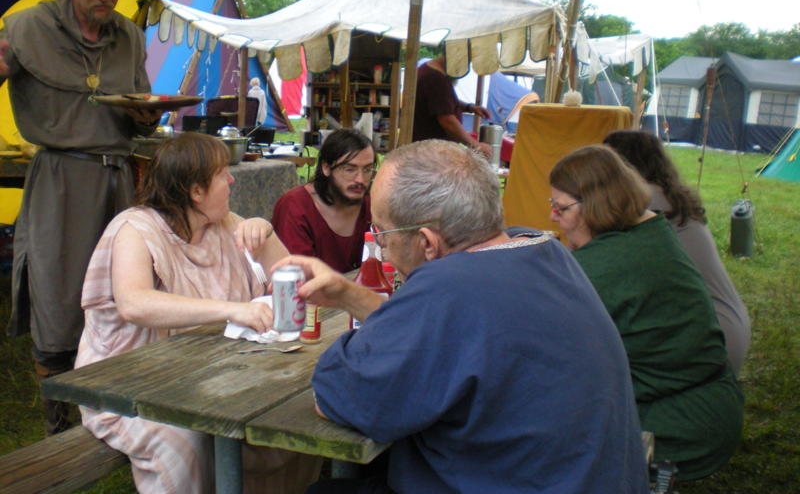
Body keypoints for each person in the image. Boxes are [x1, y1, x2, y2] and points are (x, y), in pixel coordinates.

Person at [273, 140, 650, 494]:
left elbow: (338, 394)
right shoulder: (543, 249)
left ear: (427, 242)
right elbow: (449, 336)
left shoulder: (449, 287)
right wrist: (351, 295)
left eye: (383, 233)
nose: (383, 250)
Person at [75, 132, 321, 494]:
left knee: (291, 416)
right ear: (195, 191)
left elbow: (299, 285)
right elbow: (135, 303)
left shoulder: (224, 224)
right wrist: (234, 311)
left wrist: (265, 236)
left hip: (208, 376)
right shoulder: (136, 229)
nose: (232, 179)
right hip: (129, 384)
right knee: (184, 439)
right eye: (223, 173)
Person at [0, 0, 162, 434]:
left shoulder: (129, 36)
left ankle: (115, 408)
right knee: (56, 291)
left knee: (122, 289)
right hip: (60, 178)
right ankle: (58, 423)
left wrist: (146, 114)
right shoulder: (25, 27)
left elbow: (140, 116)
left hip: (119, 177)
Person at [549, 144, 744, 482]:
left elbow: (536, 335)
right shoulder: (650, 228)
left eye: (560, 207)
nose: (552, 216)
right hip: (709, 401)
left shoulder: (609, 263)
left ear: (593, 206)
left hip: (680, 422)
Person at [603, 129, 751, 374]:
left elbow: (605, 267)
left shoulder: (644, 203)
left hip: (708, 336)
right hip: (726, 325)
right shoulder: (664, 196)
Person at [271, 129, 375, 273]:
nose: (360, 179)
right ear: (326, 167)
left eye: (368, 169)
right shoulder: (295, 206)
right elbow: (299, 276)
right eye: (350, 169)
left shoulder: (372, 205)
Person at [412, 55, 493, 157]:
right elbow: (447, 120)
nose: (465, 67)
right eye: (466, 62)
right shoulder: (434, 78)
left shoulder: (428, 69)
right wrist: (476, 145)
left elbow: (443, 102)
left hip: (431, 150)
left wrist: (469, 107)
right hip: (430, 154)